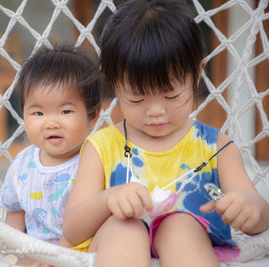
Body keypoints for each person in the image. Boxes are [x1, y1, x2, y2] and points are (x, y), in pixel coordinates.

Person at [62, 1, 269, 266]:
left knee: (180, 225)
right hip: (117, 247)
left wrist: (249, 208)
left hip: (189, 248)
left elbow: (260, 219)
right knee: (125, 227)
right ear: (113, 84)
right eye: (137, 99)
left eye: (172, 95)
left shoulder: (216, 146)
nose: (156, 111)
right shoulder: (101, 146)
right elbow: (72, 229)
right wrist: (108, 199)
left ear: (197, 75)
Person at [0, 44, 101, 266]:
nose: (51, 123)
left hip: (81, 252)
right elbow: (15, 210)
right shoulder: (23, 163)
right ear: (24, 115)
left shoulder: (94, 159)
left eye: (65, 111)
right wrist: (8, 242)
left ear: (92, 116)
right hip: (36, 251)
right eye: (38, 113)